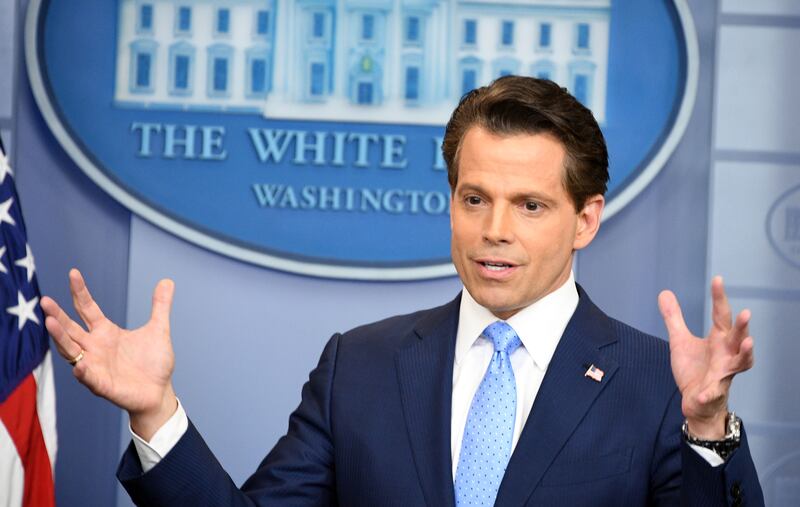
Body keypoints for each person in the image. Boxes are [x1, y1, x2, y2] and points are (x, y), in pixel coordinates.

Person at [41, 76, 763, 506]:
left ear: (586, 218)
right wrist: (156, 412)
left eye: (530, 205)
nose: (494, 230)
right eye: (474, 198)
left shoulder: (659, 383)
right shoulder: (361, 366)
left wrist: (705, 431)